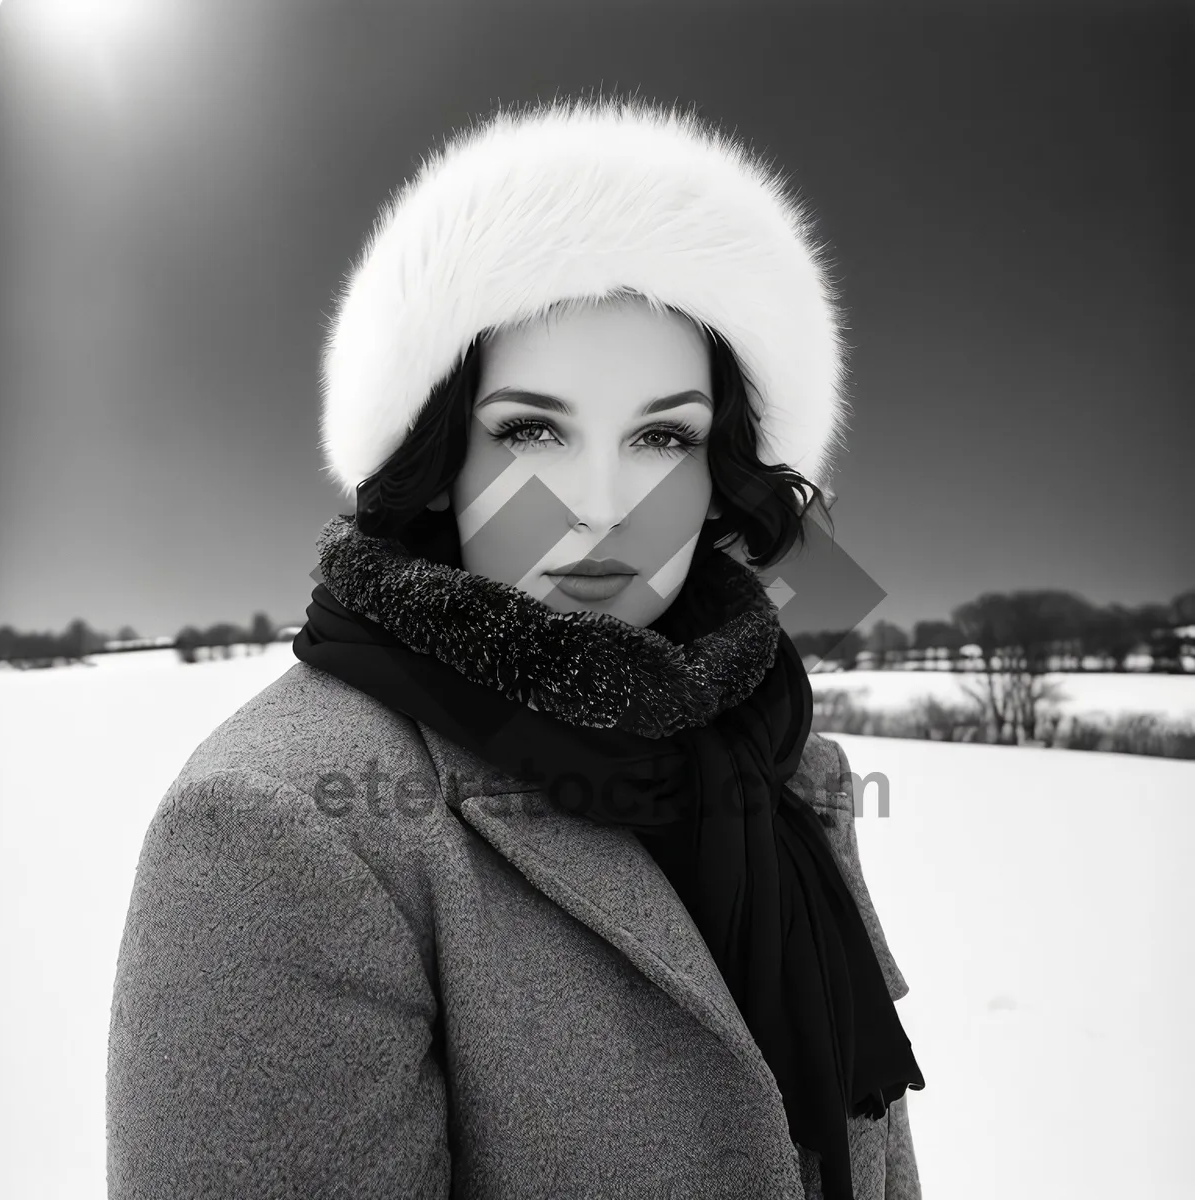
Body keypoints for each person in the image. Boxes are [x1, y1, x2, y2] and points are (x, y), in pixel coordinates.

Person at [106, 95, 925, 1200]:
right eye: (534, 429)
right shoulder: (280, 824)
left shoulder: (783, 770)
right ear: (441, 458)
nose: (600, 503)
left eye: (663, 436)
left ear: (718, 466)